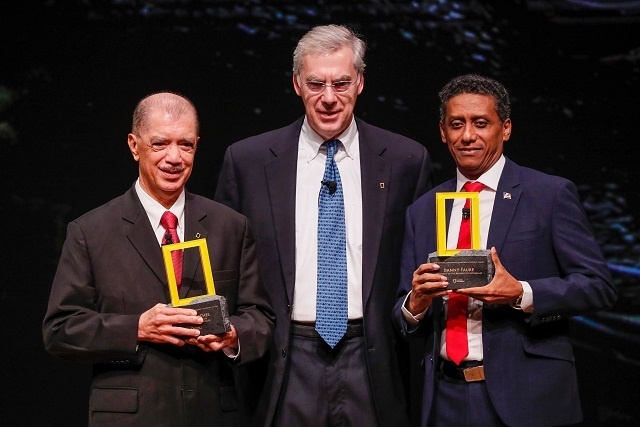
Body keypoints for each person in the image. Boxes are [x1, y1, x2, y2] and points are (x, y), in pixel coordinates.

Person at [215, 24, 432, 427]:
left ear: (361, 83)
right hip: (282, 360)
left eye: (342, 83)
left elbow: (416, 268)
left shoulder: (405, 160)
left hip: (372, 357)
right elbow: (223, 266)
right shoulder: (248, 162)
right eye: (316, 83)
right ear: (297, 84)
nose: (329, 98)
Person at [392, 74, 617, 427]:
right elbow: (403, 311)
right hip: (444, 398)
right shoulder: (423, 210)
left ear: (506, 128)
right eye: (456, 124)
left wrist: (521, 293)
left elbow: (598, 286)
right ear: (442, 132)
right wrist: (416, 304)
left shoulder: (549, 195)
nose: (467, 136)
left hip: (527, 398)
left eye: (481, 123)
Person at [43, 92, 275, 427]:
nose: (174, 157)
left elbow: (261, 318)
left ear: (197, 145)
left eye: (186, 145)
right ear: (134, 145)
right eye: (160, 143)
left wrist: (233, 335)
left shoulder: (231, 226)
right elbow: (60, 330)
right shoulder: (90, 231)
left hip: (212, 413)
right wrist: (136, 328)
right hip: (131, 416)